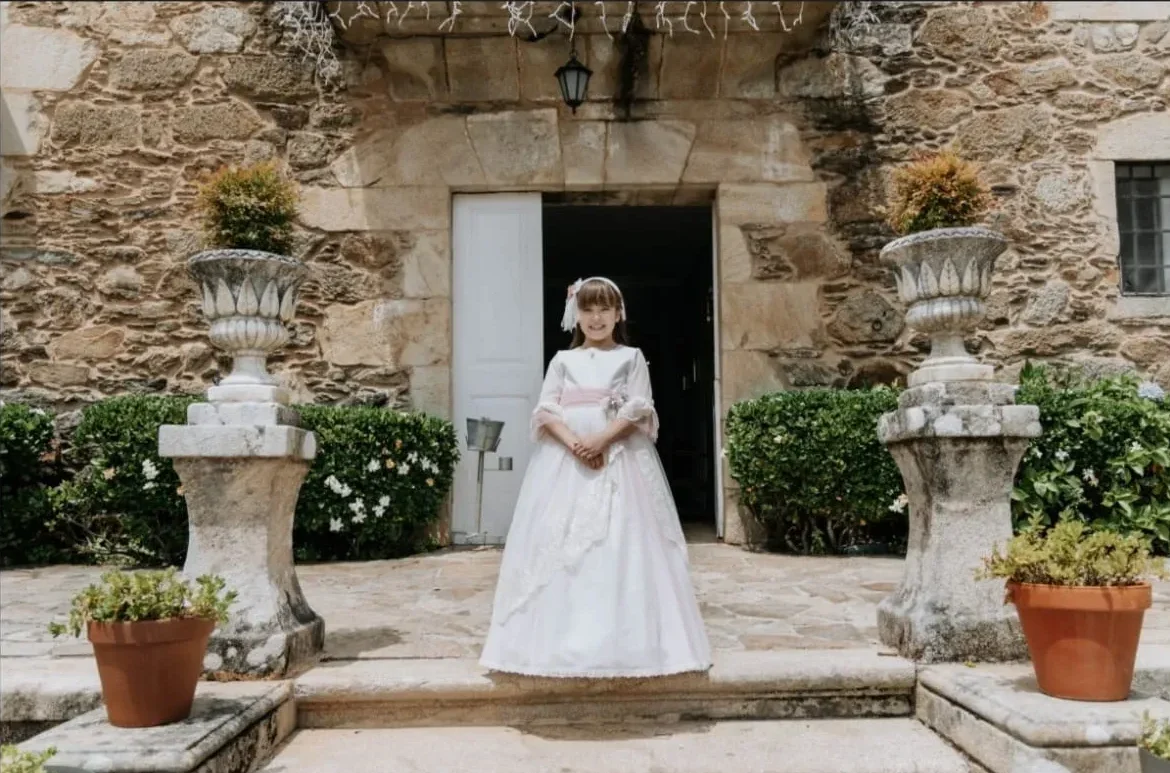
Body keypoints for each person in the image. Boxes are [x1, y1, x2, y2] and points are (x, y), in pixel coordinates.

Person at [479, 276, 712, 678]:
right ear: (576, 315)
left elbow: (639, 408)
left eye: (605, 309)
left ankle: (624, 645)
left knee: (619, 542)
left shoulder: (632, 356)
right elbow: (545, 410)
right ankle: (557, 645)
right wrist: (576, 445)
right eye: (588, 309)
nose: (596, 317)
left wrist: (602, 440)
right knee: (560, 543)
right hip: (564, 464)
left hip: (619, 459)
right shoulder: (562, 361)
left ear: (618, 313)